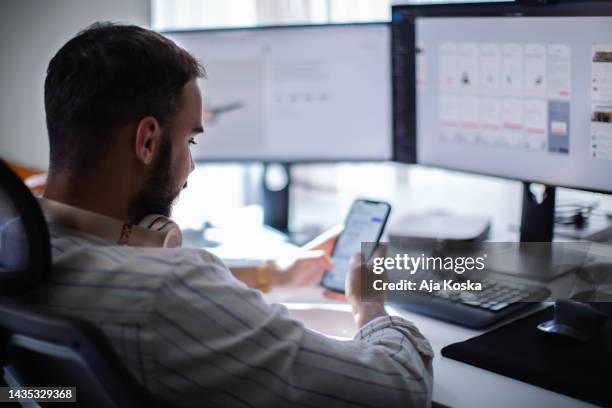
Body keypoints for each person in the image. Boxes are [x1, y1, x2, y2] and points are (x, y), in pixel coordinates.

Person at [28, 22, 434, 407]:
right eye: (189, 140)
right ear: (148, 141)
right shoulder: (168, 293)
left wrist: (276, 274)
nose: (190, 166)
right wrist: (371, 307)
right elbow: (399, 389)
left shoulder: (16, 242)